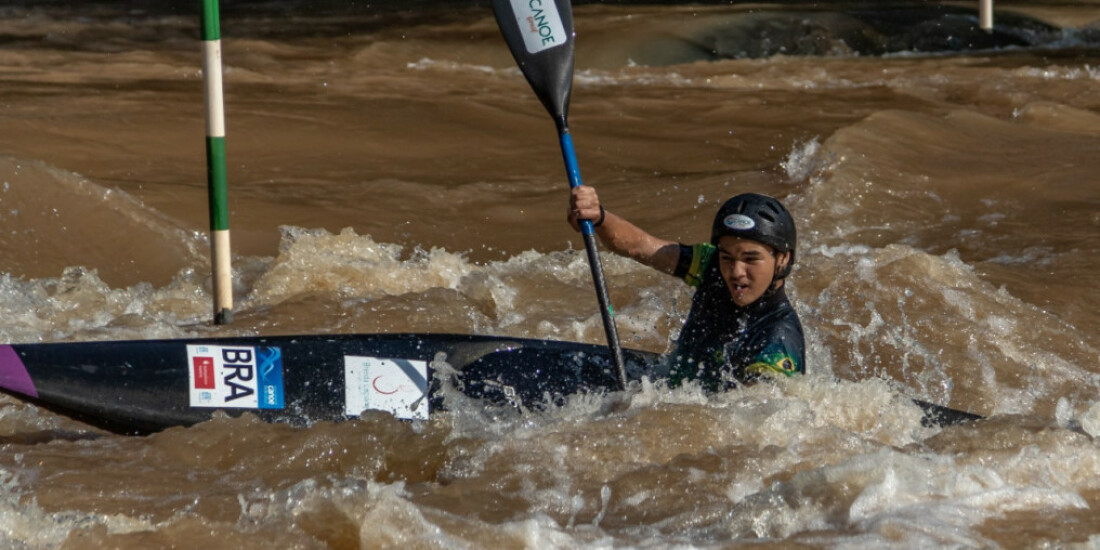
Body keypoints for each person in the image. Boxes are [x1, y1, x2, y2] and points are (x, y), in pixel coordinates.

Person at [568, 186, 805, 392]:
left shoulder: (779, 339)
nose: (735, 272)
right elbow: (640, 246)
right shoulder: (711, 266)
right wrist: (599, 217)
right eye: (727, 257)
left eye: (751, 259)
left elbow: (751, 412)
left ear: (782, 259)